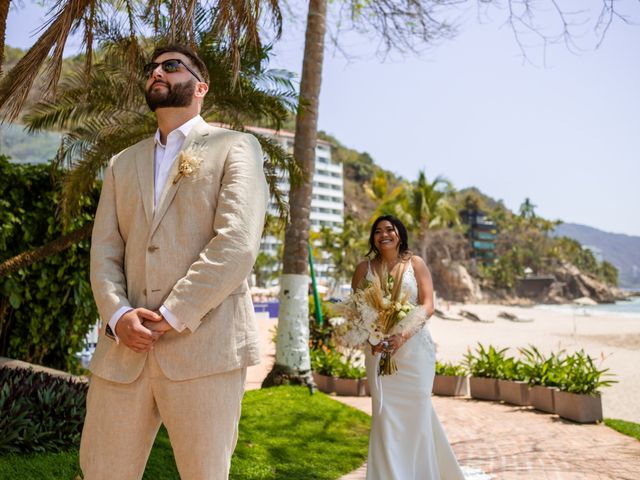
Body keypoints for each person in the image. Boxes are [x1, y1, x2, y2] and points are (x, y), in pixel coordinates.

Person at [79, 44, 268, 479]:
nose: (157, 73)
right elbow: (105, 250)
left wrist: (173, 313)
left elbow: (236, 243)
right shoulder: (121, 164)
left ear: (200, 87)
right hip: (122, 352)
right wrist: (118, 314)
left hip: (205, 348)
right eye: (152, 69)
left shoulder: (236, 147)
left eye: (171, 66)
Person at [351, 215, 466, 480]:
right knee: (384, 417)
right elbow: (356, 310)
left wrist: (403, 334)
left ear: (399, 234)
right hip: (378, 351)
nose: (384, 235)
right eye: (377, 231)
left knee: (417, 412)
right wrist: (372, 338)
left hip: (415, 353)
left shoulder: (416, 263)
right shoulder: (363, 268)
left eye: (389, 229)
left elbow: (428, 305)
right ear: (373, 238)